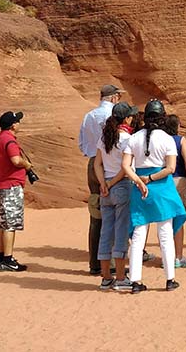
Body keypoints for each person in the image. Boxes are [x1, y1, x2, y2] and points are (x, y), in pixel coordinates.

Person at [122, 100, 186, 293]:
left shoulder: (133, 138)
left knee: (139, 234)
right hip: (162, 188)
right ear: (162, 117)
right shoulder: (167, 138)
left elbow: (125, 166)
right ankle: (169, 279)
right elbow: (171, 168)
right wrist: (150, 178)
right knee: (165, 234)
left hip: (141, 189)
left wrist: (139, 181)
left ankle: (135, 281)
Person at [79, 83, 124, 276]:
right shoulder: (114, 117)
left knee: (96, 211)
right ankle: (112, 262)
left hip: (92, 163)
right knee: (115, 210)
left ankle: (95, 263)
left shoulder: (88, 116)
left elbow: (82, 143)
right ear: (114, 98)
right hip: (110, 164)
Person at [94, 102, 136, 290]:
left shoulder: (105, 138)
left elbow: (97, 164)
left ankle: (105, 277)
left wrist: (103, 183)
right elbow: (125, 168)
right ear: (126, 118)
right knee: (120, 232)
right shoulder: (128, 139)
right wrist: (111, 183)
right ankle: (120, 277)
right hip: (121, 186)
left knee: (106, 232)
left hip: (106, 189)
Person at [0, 111, 33, 272]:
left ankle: (1, 257)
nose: (19, 124)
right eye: (18, 121)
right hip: (11, 186)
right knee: (10, 223)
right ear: (13, 125)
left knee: (2, 222)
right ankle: (8, 259)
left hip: (1, 185)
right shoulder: (9, 141)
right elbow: (16, 160)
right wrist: (26, 165)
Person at [164, 114, 186, 268]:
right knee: (179, 219)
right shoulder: (180, 140)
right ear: (177, 126)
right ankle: (178, 257)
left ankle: (167, 257)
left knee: (165, 221)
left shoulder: (161, 140)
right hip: (179, 180)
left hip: (163, 181)